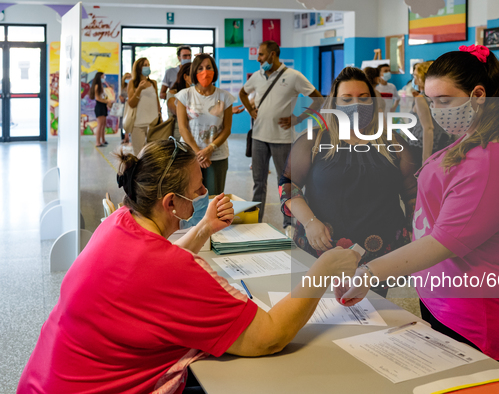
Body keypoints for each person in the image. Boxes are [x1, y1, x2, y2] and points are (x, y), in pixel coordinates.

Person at [17, 137, 360, 393]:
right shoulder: (169, 269)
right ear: (170, 203)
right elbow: (269, 336)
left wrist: (204, 228)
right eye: (198, 191)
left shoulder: (119, 223)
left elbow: (153, 267)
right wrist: (323, 270)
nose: (203, 196)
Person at [336, 45, 499, 370]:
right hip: (448, 299)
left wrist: (369, 272)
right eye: (431, 101)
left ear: (478, 95)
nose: (436, 110)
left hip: (478, 315)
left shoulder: (494, 159)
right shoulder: (474, 136)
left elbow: (444, 240)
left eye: (444, 101)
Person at [279, 67, 417, 297]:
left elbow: (412, 194)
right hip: (323, 250)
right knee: (319, 315)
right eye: (347, 99)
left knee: (369, 317)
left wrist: (416, 236)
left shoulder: (393, 142)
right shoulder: (313, 141)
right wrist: (309, 221)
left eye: (363, 98)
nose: (356, 105)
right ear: (334, 103)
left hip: (379, 256)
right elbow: (288, 186)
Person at [239, 40, 322, 235]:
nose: (258, 59)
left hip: (283, 140)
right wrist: (250, 109)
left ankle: (289, 224)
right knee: (258, 182)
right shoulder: (258, 76)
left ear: (273, 54)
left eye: (261, 55)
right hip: (259, 137)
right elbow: (243, 93)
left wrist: (298, 118)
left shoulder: (293, 76)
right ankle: (255, 221)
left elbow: (318, 98)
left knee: (285, 184)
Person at [177, 54, 233, 195]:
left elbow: (227, 129)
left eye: (209, 67)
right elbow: (183, 128)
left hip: (217, 156)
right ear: (194, 72)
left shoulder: (224, 97)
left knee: (214, 198)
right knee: (190, 198)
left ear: (214, 70)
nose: (205, 71)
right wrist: (198, 152)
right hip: (189, 155)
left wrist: (209, 149)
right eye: (200, 68)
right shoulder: (185, 95)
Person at [407, 61, 452, 164]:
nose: (413, 79)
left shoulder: (422, 98)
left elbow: (428, 128)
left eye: (415, 76)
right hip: (441, 142)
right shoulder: (441, 96)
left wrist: (425, 160)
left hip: (422, 146)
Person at [127, 57, 160, 155]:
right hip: (138, 124)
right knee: (139, 154)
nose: (147, 67)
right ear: (138, 68)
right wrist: (139, 89)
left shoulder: (153, 83)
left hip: (153, 124)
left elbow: (156, 101)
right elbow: (131, 104)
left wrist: (159, 115)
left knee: (153, 154)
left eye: (148, 65)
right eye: (145, 65)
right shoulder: (132, 83)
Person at [166, 63, 192, 141]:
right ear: (185, 77)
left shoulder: (194, 93)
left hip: (194, 135)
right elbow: (183, 113)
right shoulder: (173, 95)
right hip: (178, 136)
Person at [89, 72, 113, 148]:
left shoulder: (101, 87)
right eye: (103, 77)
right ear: (99, 78)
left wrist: (108, 101)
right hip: (99, 107)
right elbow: (98, 98)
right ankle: (97, 142)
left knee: (103, 124)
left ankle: (103, 140)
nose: (104, 78)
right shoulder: (96, 86)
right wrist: (107, 101)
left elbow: (103, 97)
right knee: (100, 125)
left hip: (103, 106)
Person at [120, 72, 131, 144]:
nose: (128, 78)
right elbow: (121, 97)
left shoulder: (132, 87)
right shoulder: (123, 88)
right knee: (124, 122)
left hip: (131, 106)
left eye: (129, 77)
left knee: (130, 120)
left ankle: (128, 137)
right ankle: (126, 137)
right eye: (126, 77)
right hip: (124, 106)